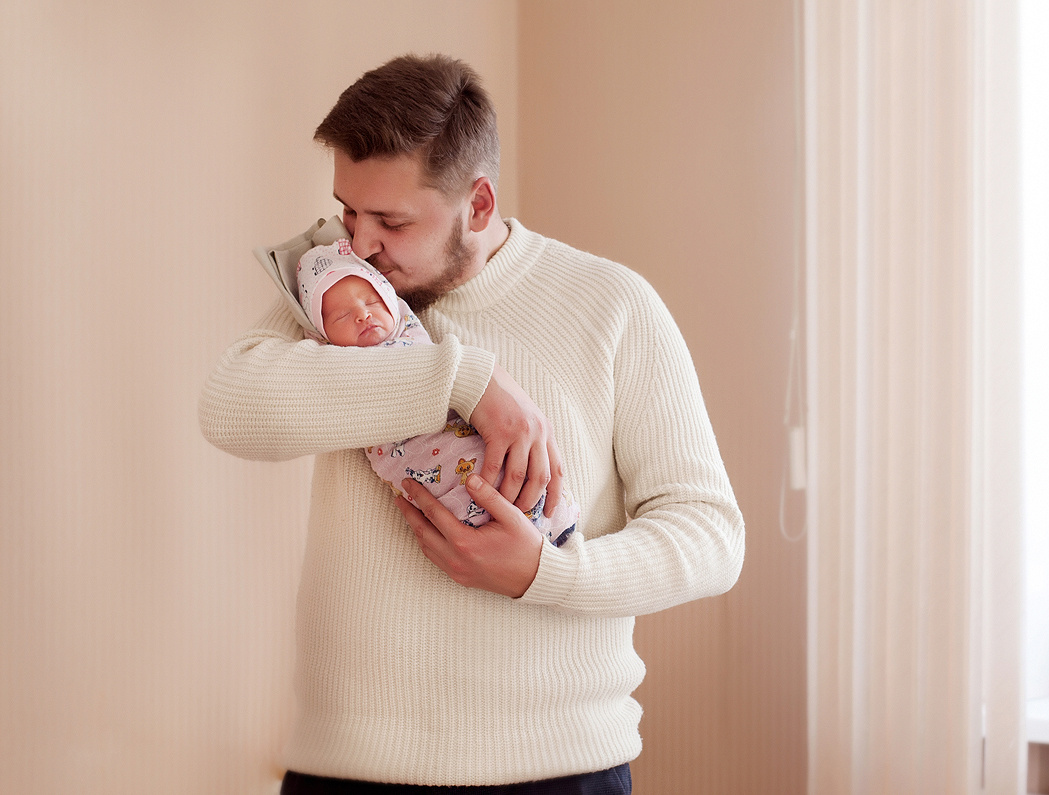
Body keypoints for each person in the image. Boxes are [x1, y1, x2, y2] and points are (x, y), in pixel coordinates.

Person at [199, 53, 744, 793]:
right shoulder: (345, 296)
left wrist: (548, 575)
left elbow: (710, 533)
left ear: (479, 205)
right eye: (347, 210)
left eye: (391, 220)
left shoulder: (612, 304)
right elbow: (231, 405)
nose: (359, 243)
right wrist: (459, 378)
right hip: (347, 768)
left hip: (560, 767)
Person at [296, 238, 578, 544]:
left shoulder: (414, 337)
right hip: (429, 472)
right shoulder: (335, 366)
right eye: (341, 316)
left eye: (372, 302)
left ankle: (548, 524)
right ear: (323, 337)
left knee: (509, 468)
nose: (363, 315)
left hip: (466, 441)